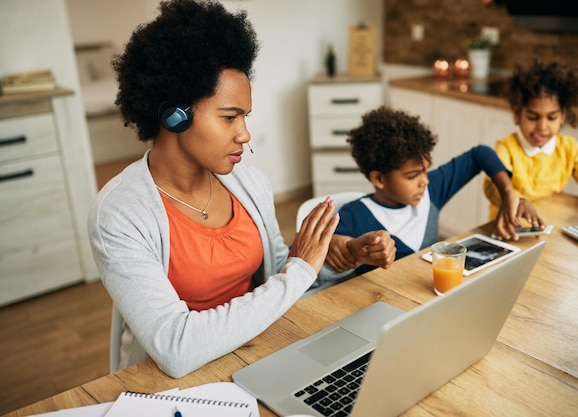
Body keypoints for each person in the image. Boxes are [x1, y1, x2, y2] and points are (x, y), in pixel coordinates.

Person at [88, 0, 339, 379]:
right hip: (174, 387)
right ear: (175, 115)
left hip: (259, 360)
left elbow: (280, 273)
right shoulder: (120, 213)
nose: (245, 134)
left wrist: (330, 261)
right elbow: (175, 346)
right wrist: (299, 270)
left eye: (245, 116)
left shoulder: (250, 184)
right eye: (229, 117)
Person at [318, 105, 528, 280]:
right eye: (412, 176)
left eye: (426, 170)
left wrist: (508, 192)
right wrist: (340, 246)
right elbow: (309, 256)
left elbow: (480, 154)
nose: (425, 181)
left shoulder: (431, 190)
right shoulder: (354, 216)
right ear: (379, 179)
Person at [483, 58, 578, 225]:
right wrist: (517, 201)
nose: (542, 127)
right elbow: (492, 185)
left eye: (552, 117)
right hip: (507, 228)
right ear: (517, 114)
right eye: (533, 117)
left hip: (548, 226)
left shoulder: (568, 148)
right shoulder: (507, 147)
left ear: (563, 116)